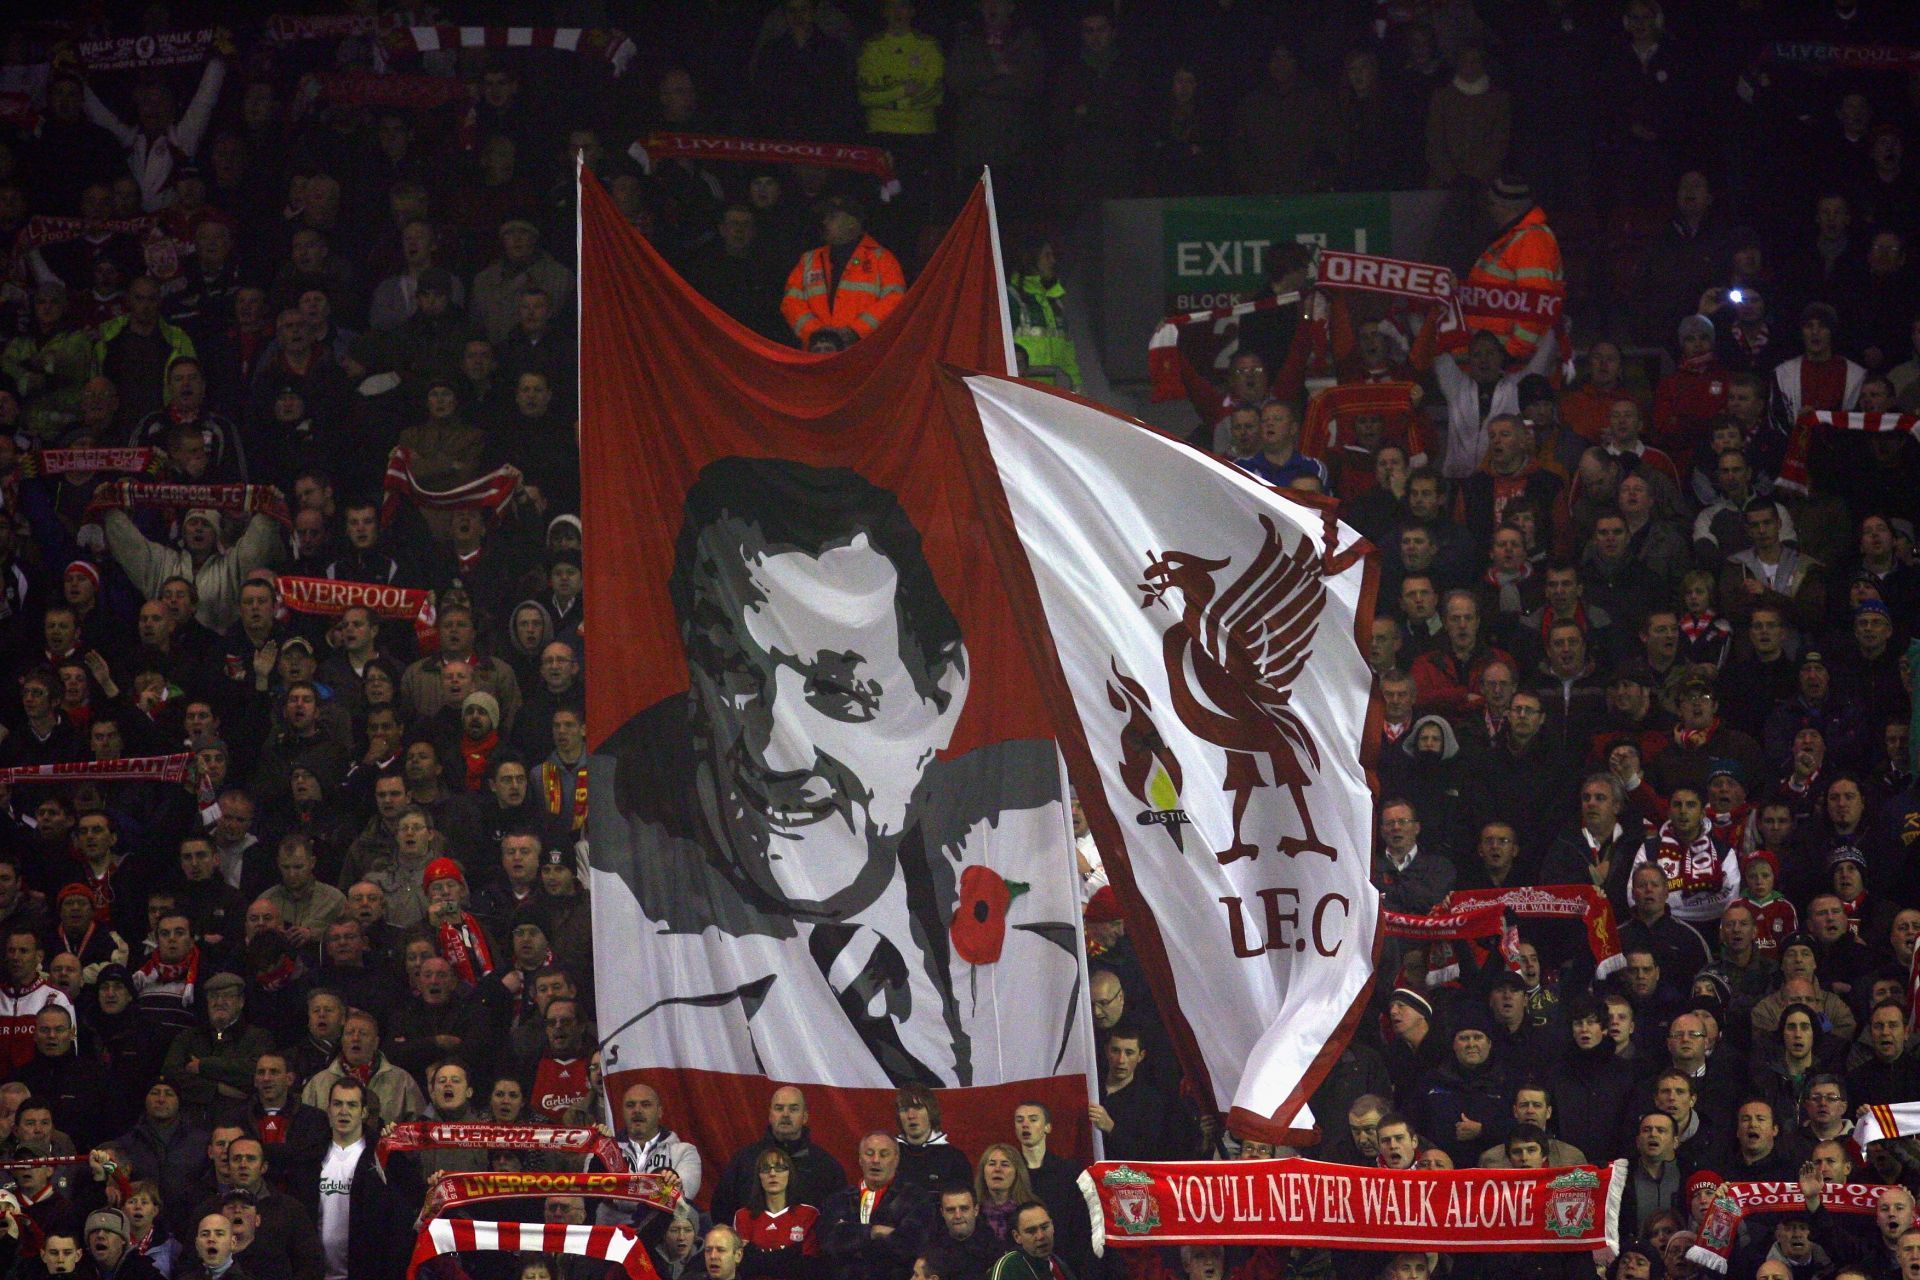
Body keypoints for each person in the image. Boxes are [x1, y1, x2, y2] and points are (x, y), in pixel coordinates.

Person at [595, 458, 1083, 1088]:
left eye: (837, 690)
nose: (776, 752)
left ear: (943, 694)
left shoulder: (1033, 817)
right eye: (737, 673)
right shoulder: (633, 921)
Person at [780, 196, 906, 348]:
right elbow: (791, 302)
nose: (825, 222)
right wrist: (817, 333)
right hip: (818, 354)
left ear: (852, 223)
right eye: (825, 217)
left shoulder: (882, 259)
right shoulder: (809, 260)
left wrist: (855, 331)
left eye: (832, 217)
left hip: (862, 354)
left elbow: (895, 301)